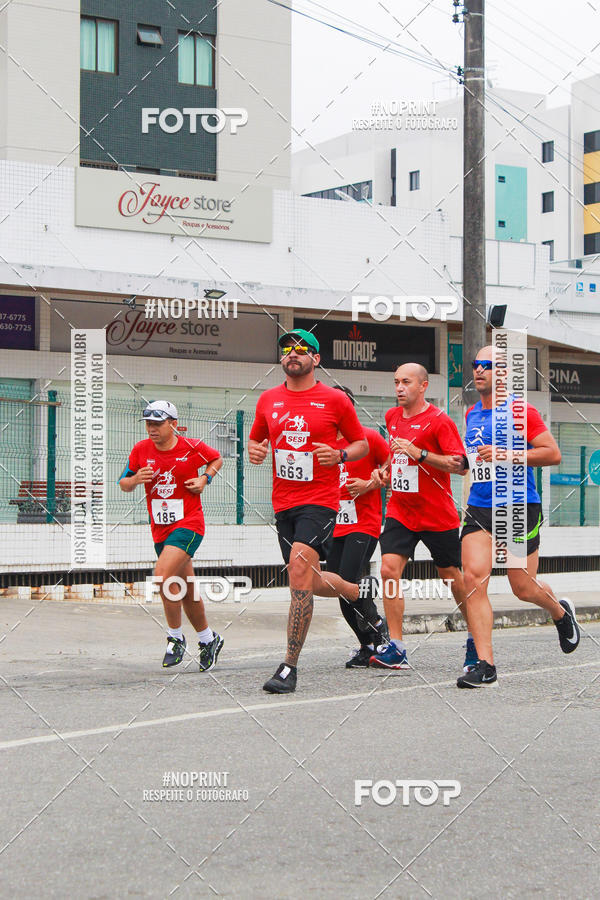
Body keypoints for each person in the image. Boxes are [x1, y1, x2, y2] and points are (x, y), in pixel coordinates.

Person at [248, 329, 379, 694]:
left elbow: (360, 444)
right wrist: (254, 451)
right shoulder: (268, 400)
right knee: (307, 578)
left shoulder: (335, 400)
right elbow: (257, 438)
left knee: (300, 572)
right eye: (287, 348)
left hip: (320, 502)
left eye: (303, 349)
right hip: (283, 503)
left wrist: (339, 455)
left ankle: (288, 666)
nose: (294, 353)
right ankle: (355, 591)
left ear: (316, 359)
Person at [457, 347, 580, 688]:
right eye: (475, 365)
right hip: (480, 505)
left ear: (503, 373)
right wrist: (457, 462)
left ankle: (559, 611)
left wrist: (507, 454)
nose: (479, 370)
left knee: (522, 586)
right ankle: (485, 665)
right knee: (472, 578)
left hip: (517, 504)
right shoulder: (471, 415)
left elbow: (552, 453)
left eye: (487, 366)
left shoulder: (520, 411)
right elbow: (474, 461)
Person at [369, 363, 469, 670]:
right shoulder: (392, 417)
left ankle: (477, 634)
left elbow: (460, 464)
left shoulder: (440, 421)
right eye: (396, 381)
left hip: (436, 513)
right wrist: (385, 471)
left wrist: (421, 453)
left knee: (450, 576)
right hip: (401, 509)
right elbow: (395, 453)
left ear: (423, 386)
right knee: (388, 571)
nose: (399, 388)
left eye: (406, 382)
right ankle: (397, 647)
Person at [118, 400, 225, 671]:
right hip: (160, 529)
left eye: (157, 423)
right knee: (187, 589)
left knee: (162, 577)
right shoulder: (141, 450)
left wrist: (205, 479)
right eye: (148, 424)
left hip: (189, 524)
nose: (151, 429)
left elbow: (216, 458)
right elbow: (123, 483)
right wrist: (135, 479)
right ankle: (208, 639)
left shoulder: (191, 447)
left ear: (173, 425)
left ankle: (175, 638)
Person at [326, 386, 390, 667]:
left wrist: (370, 484)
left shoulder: (370, 438)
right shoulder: (322, 442)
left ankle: (377, 626)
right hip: (333, 524)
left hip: (364, 523)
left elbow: (392, 468)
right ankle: (367, 644)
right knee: (339, 588)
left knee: (349, 580)